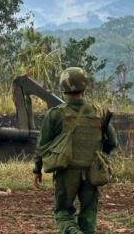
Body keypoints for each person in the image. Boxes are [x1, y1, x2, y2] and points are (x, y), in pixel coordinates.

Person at [33, 67, 118, 234]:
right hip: (92, 172)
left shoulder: (55, 114)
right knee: (88, 215)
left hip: (66, 171)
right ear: (85, 86)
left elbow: (42, 145)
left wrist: (37, 169)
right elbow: (113, 142)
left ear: (63, 87)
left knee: (62, 212)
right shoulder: (98, 112)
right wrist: (101, 156)